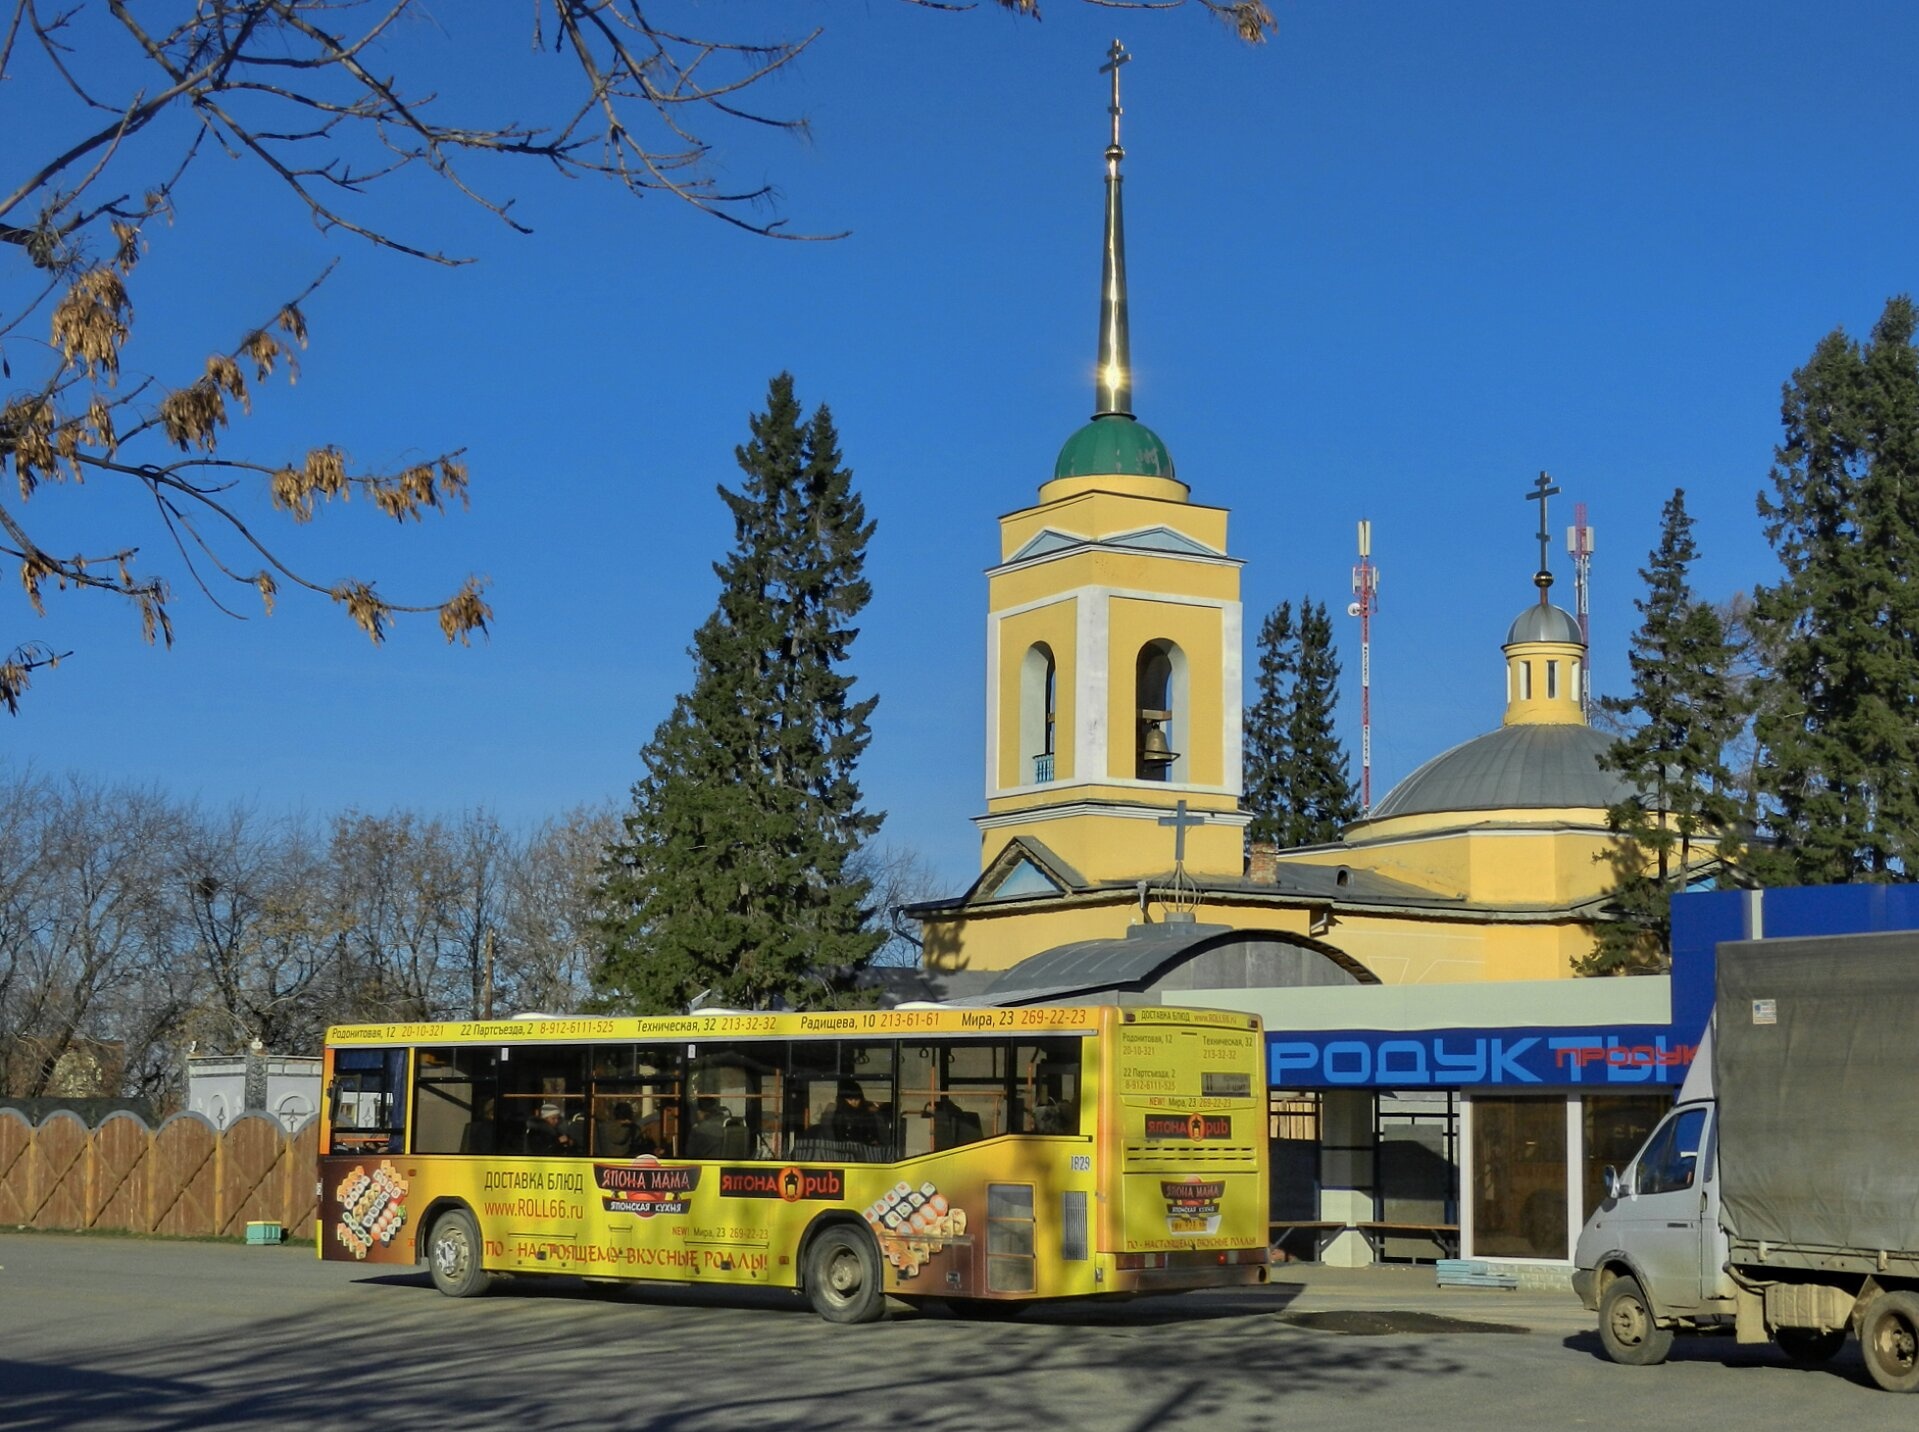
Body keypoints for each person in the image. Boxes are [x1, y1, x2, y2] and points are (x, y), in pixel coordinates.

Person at [828, 1078, 883, 1149]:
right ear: (843, 1100)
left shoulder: (868, 1115)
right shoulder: (839, 1116)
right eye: (850, 1099)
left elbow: (874, 1137)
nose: (854, 1102)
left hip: (866, 1151)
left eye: (857, 1099)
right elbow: (838, 1138)